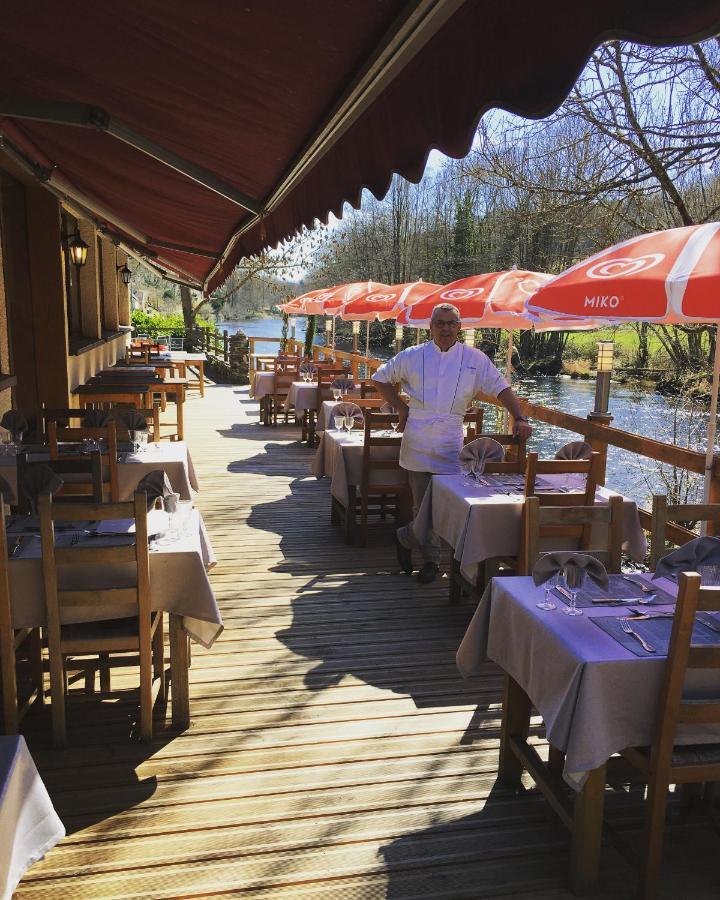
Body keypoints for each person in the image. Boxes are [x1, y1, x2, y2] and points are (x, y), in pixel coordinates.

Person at [372, 302, 532, 583]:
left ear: (459, 327)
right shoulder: (412, 355)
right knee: (423, 506)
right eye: (440, 323)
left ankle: (406, 537)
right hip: (418, 437)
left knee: (447, 504)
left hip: (450, 441)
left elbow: (501, 387)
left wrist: (519, 416)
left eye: (451, 323)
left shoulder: (475, 359)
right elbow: (380, 378)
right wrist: (400, 407)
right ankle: (432, 563)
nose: (445, 328)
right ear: (430, 327)